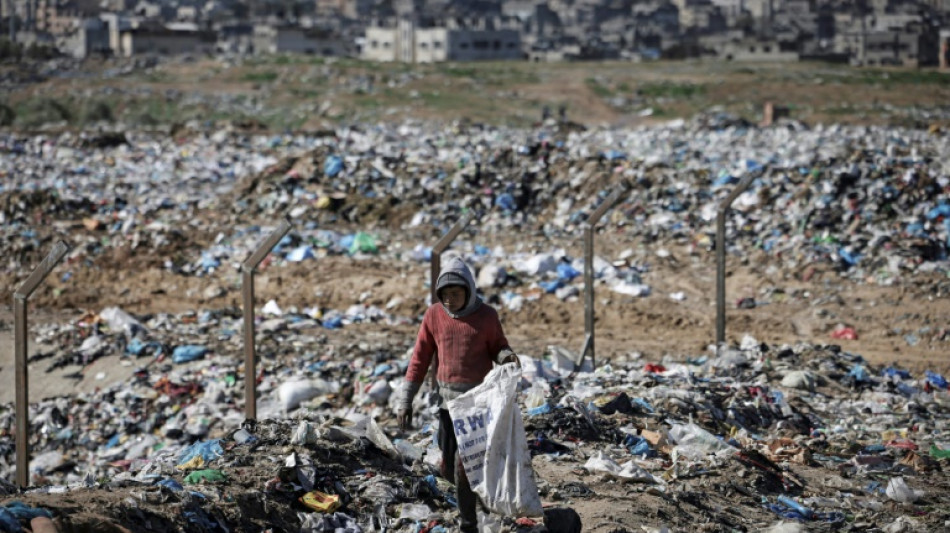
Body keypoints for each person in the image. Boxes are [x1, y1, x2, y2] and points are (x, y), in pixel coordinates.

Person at [395, 256, 519, 533]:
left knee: (464, 467)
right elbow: (419, 359)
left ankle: (468, 525)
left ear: (469, 290)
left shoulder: (486, 316)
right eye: (445, 295)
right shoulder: (434, 316)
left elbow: (498, 346)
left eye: (456, 293)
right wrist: (406, 400)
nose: (450, 300)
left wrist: (507, 356)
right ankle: (478, 499)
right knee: (447, 466)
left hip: (477, 404)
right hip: (446, 404)